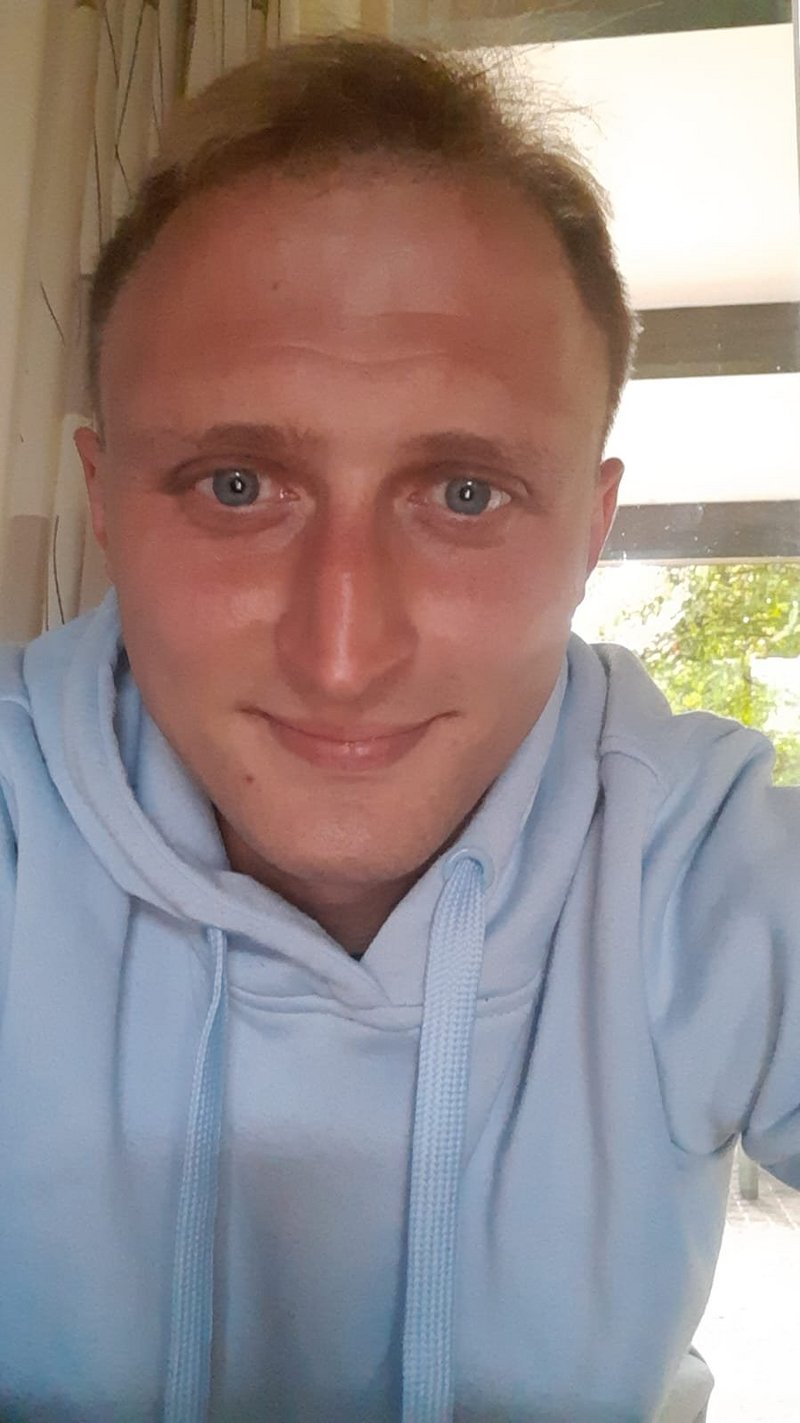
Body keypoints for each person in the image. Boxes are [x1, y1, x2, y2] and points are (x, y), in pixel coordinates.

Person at [0, 32, 796, 1423]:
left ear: (593, 529)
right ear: (106, 499)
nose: (342, 653)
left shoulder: (703, 864)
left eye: (466, 494)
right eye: (236, 484)